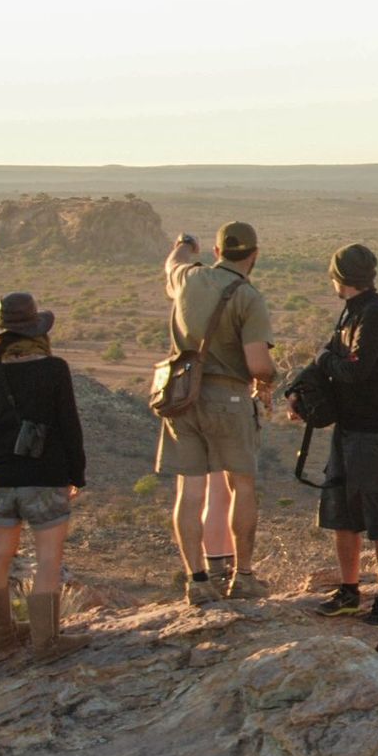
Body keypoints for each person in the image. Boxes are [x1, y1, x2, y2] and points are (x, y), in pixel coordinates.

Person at [0, 292, 88, 660]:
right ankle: (46, 643)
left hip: (0, 477)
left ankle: (3, 638)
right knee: (48, 559)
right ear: (36, 329)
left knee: (0, 553)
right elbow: (69, 427)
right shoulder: (54, 369)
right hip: (46, 477)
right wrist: (76, 475)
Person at [158, 223, 276, 604]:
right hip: (229, 399)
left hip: (183, 398)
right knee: (241, 484)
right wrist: (269, 380)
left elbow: (172, 263)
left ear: (216, 250)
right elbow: (258, 364)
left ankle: (197, 581)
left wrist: (183, 245)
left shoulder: (188, 278)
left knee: (189, 490)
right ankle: (242, 577)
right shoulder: (248, 297)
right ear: (254, 255)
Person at [308, 244, 378, 630]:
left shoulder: (376, 313)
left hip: (374, 430)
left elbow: (357, 369)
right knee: (342, 512)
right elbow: (339, 362)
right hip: (348, 428)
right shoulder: (351, 312)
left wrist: (322, 360)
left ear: (340, 278)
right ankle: (350, 591)